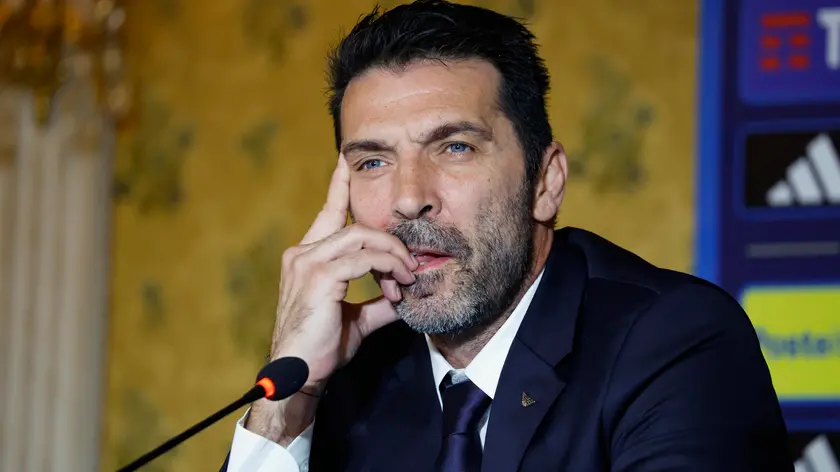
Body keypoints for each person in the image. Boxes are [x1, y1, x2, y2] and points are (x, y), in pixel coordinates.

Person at [222, 1, 792, 470]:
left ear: (545, 182)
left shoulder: (674, 342)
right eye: (373, 162)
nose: (408, 197)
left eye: (455, 147)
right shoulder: (345, 377)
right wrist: (290, 402)